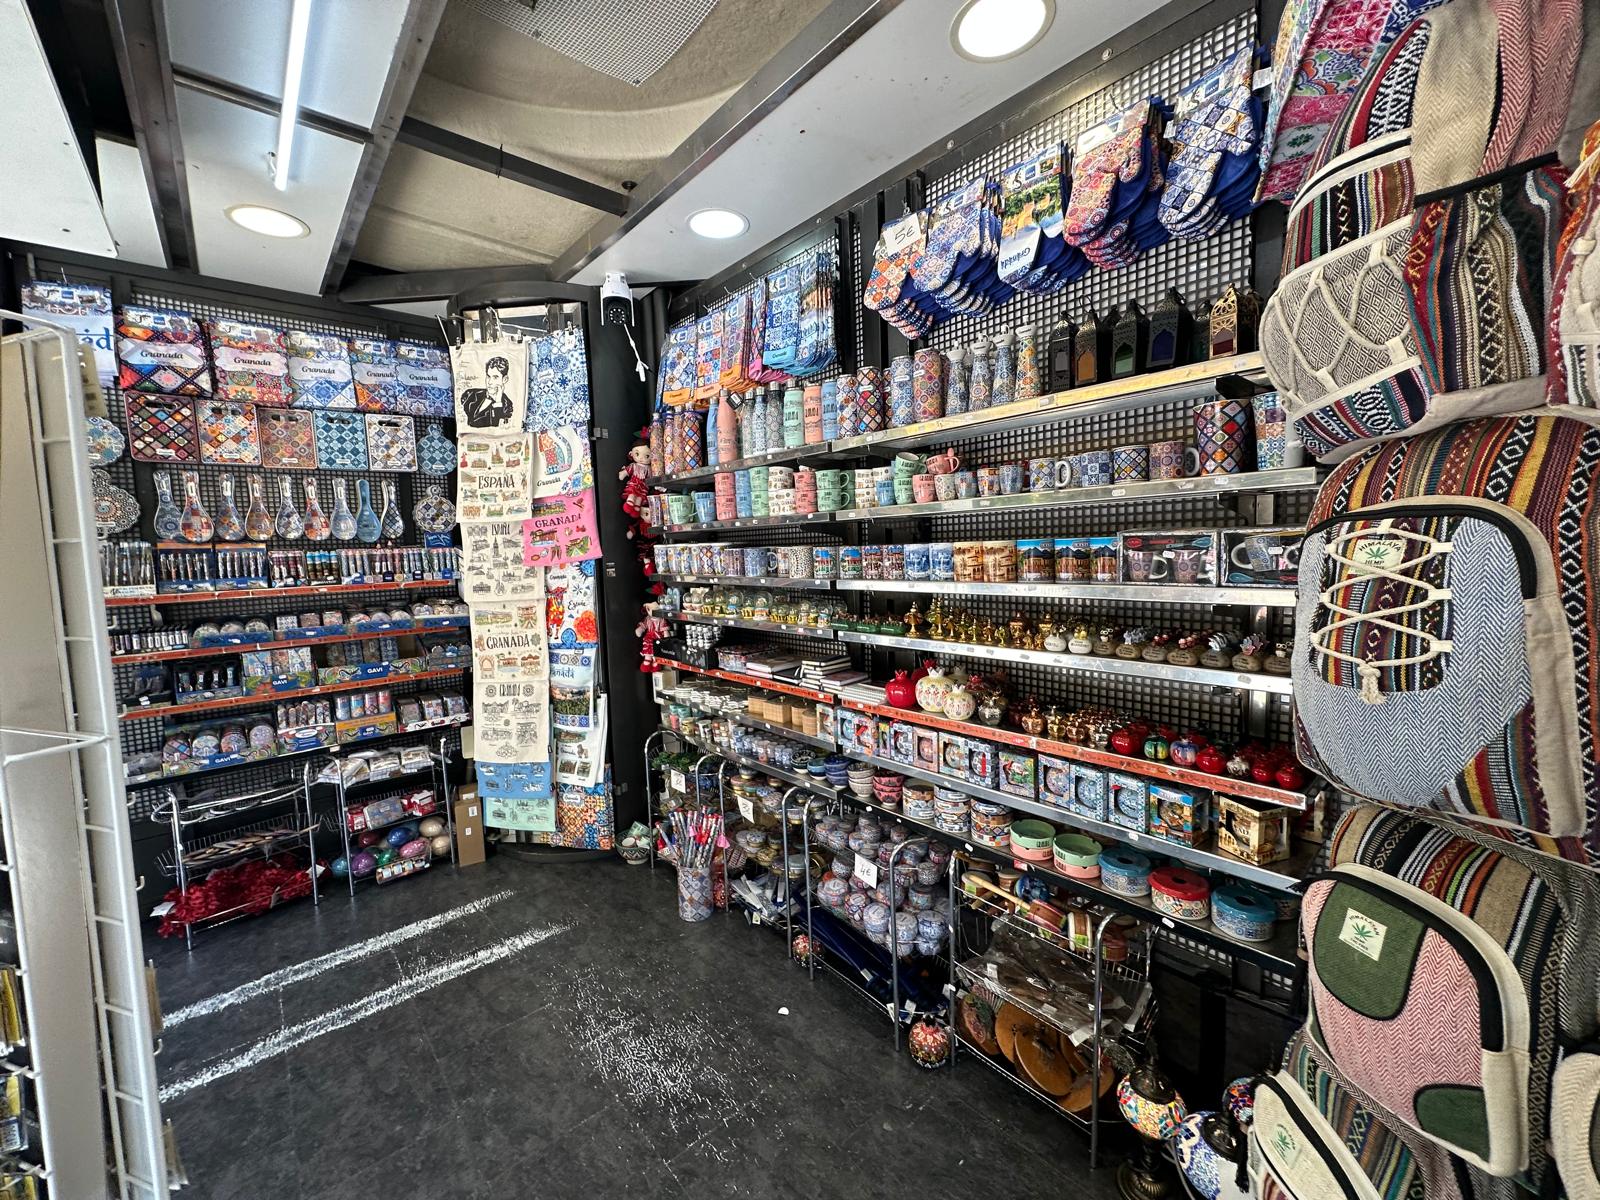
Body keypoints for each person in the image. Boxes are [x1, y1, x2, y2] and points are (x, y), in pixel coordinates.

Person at [460, 356, 514, 427]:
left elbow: (497, 427)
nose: (490, 382)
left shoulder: (507, 406)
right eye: (488, 376)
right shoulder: (470, 394)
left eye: (495, 377)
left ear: (505, 379)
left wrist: (498, 402)